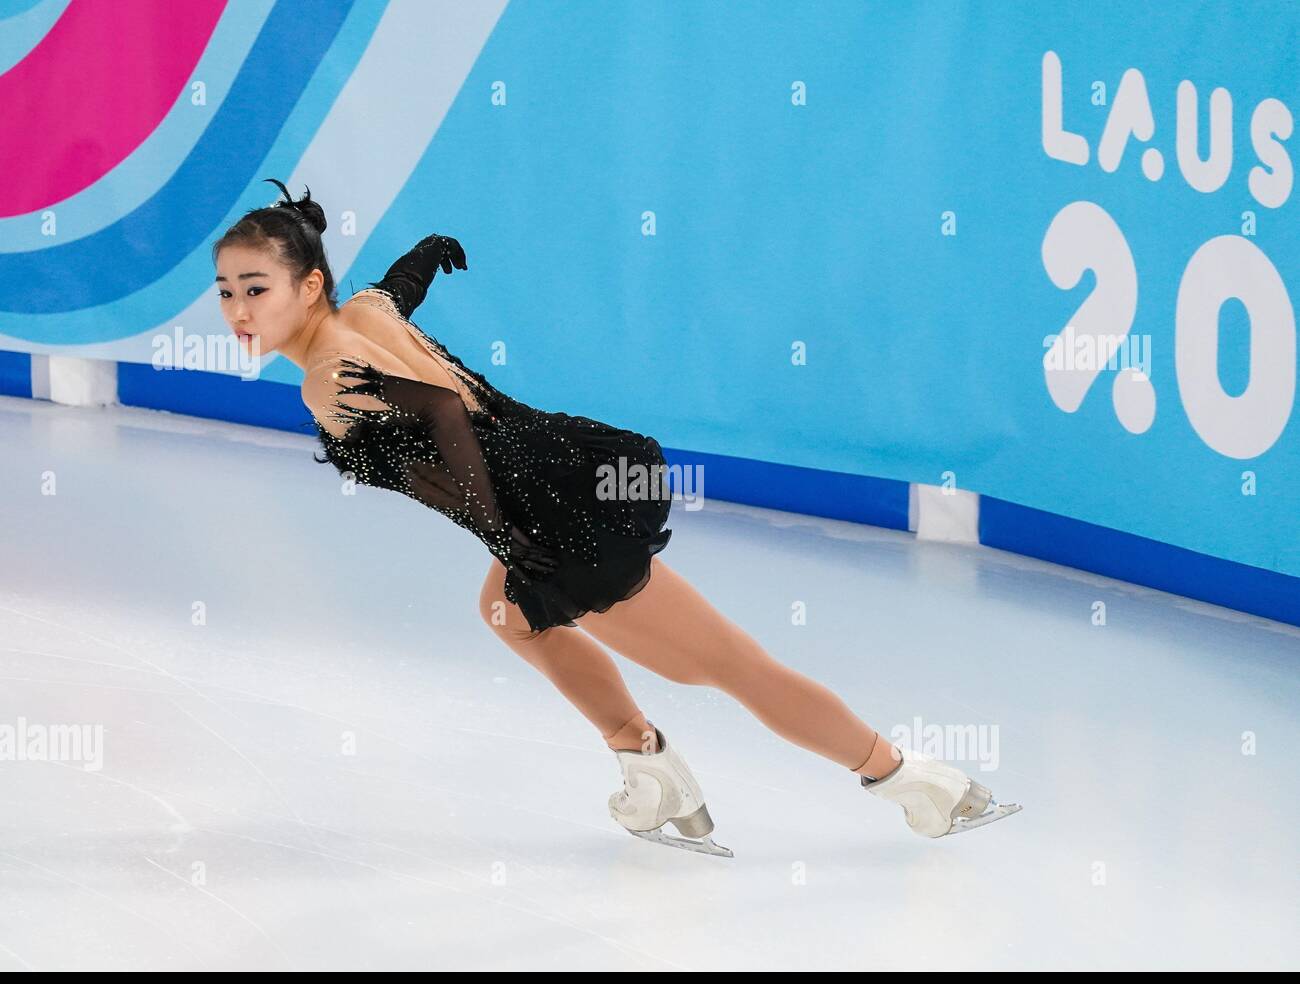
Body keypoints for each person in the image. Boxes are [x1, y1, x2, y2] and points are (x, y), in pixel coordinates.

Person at [211, 179, 1021, 857]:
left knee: (728, 666)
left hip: (552, 516)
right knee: (504, 612)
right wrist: (425, 255)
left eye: (258, 289)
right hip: (565, 467)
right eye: (227, 292)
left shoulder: (324, 380)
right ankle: (647, 762)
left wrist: (508, 533)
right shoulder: (367, 316)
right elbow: (396, 296)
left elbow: (442, 420)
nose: (239, 309)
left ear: (308, 285)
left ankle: (915, 782)